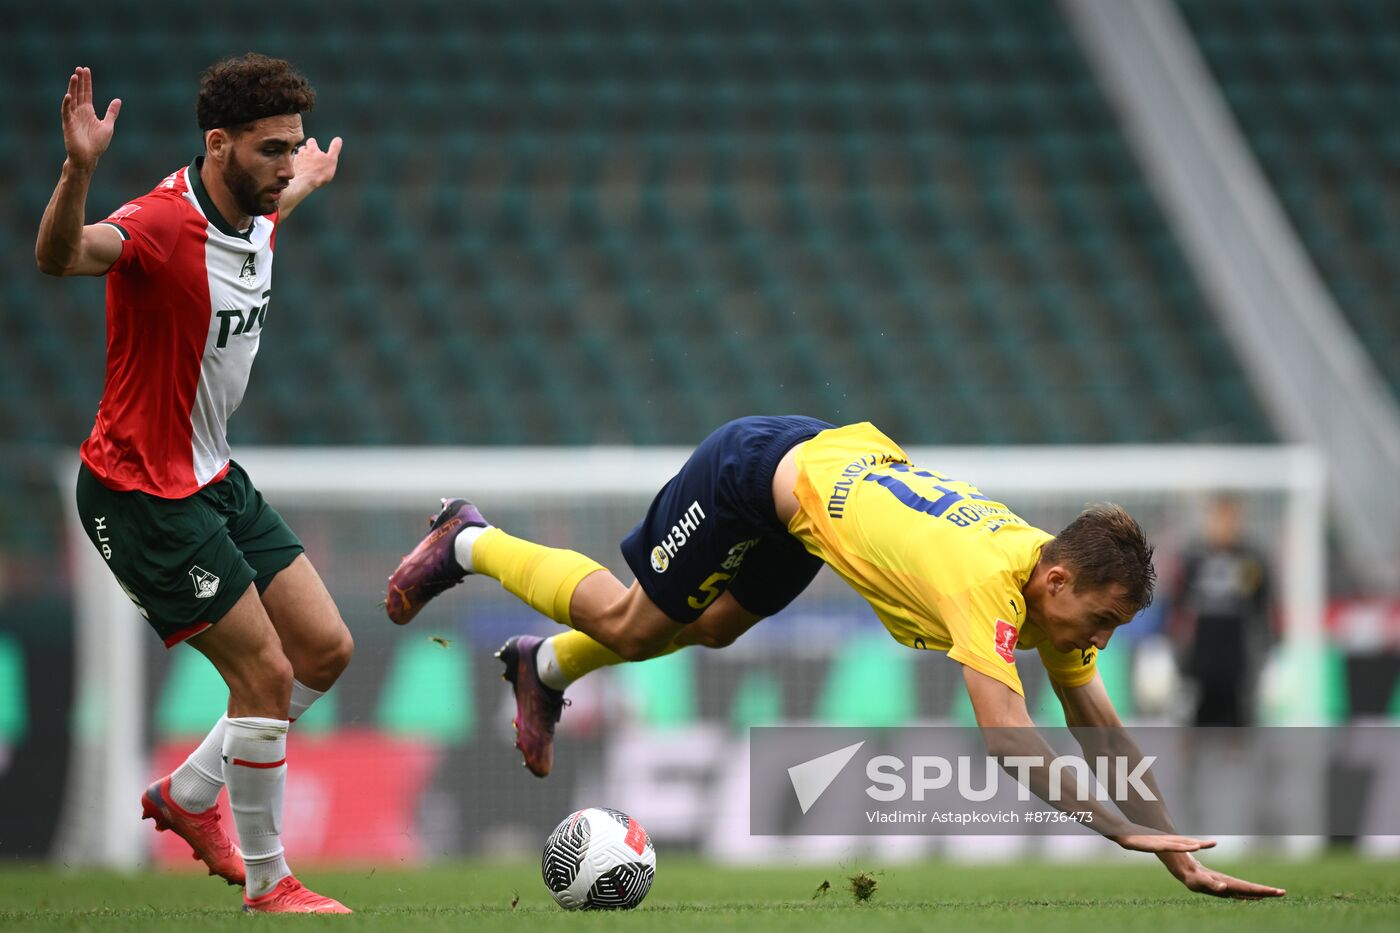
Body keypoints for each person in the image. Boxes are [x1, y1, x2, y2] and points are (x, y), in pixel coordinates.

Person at [387, 415, 1285, 900]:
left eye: (1118, 627)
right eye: (1102, 617)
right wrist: (1122, 829)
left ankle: (543, 669)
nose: (1102, 639)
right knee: (631, 625)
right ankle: (470, 539)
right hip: (753, 471)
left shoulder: (1047, 591)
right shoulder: (986, 583)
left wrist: (1177, 853)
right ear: (1054, 579)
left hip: (817, 496)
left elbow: (1098, 724)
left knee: (708, 628)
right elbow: (1009, 737)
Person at [37, 58, 351, 913]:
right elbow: (61, 255)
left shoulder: (258, 205)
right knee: (265, 675)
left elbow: (279, 205)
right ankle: (268, 881)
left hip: (212, 473)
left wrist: (308, 177)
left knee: (326, 650)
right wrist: (78, 169)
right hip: (141, 492)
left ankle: (187, 792)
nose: (286, 165)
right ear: (219, 145)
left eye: (294, 148)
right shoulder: (159, 224)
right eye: (272, 149)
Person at [1174, 496, 1273, 726]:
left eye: (1231, 519)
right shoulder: (1194, 558)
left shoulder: (1251, 559)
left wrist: (1266, 648)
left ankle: (1238, 757)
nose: (1225, 525)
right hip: (1200, 654)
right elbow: (1178, 604)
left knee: (1239, 717)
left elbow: (1261, 606)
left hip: (1238, 654)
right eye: (1220, 518)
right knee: (1196, 716)